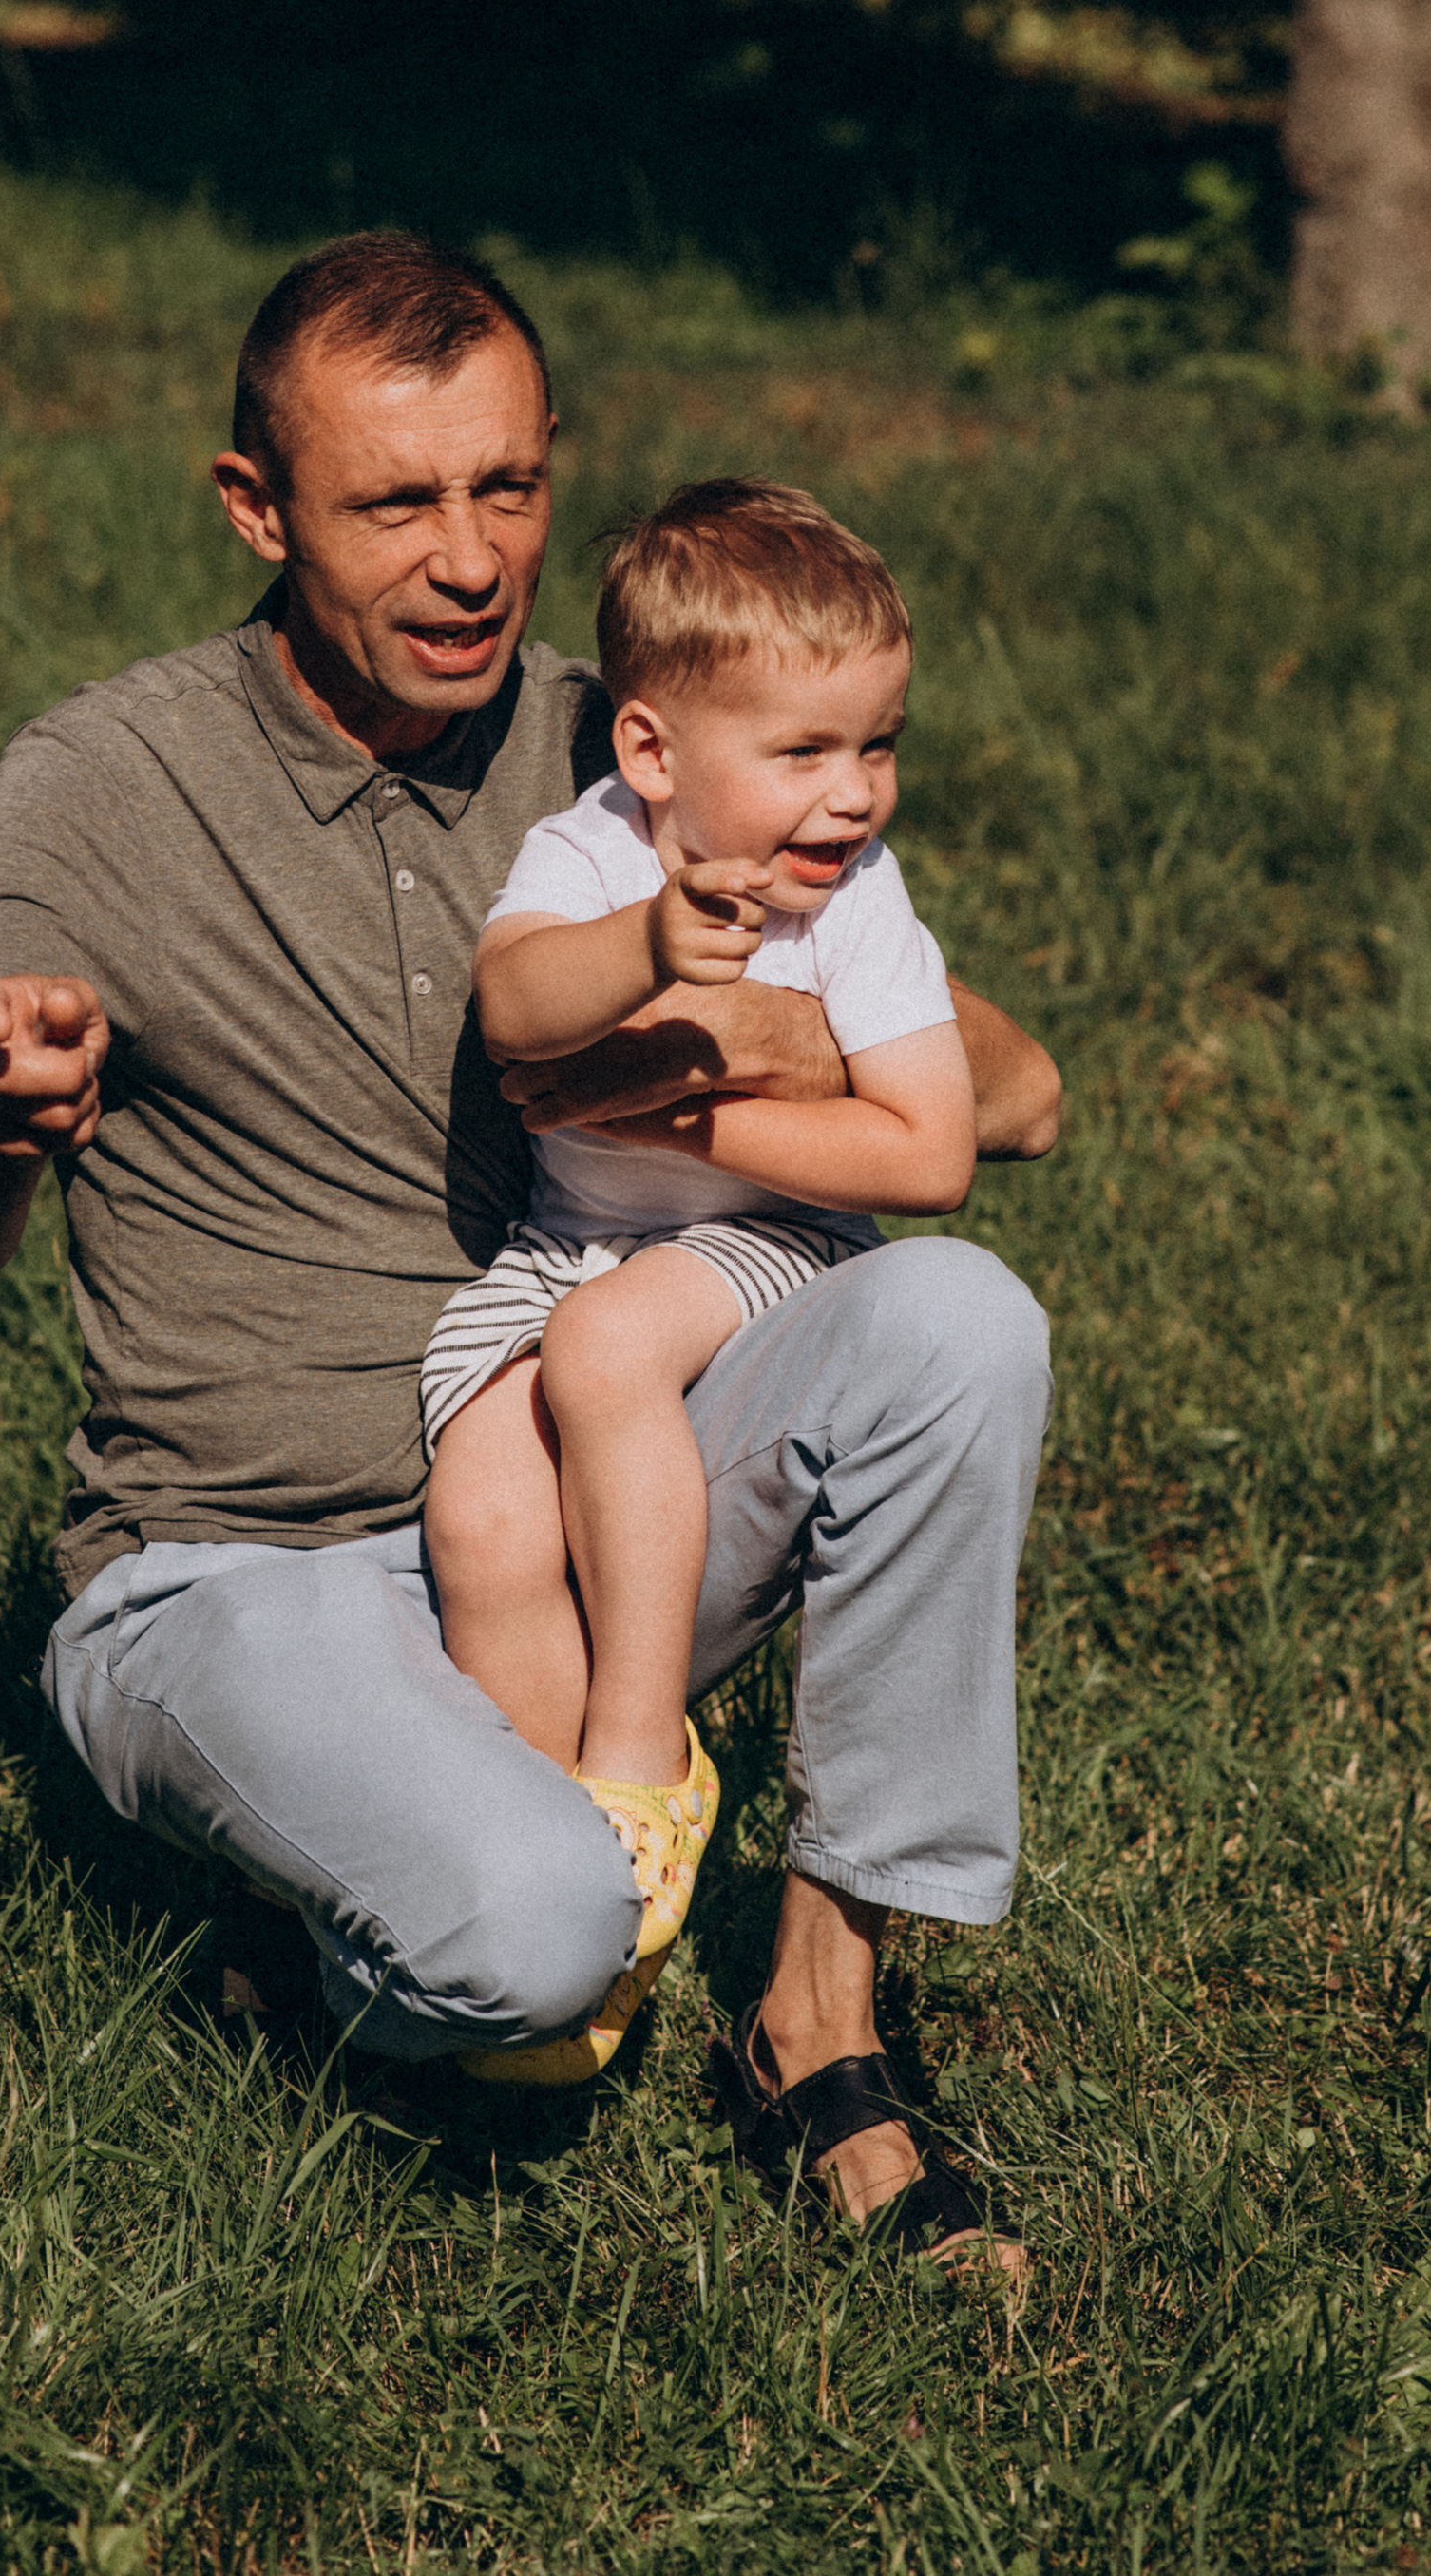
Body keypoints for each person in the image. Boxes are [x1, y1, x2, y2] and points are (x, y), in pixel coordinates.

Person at [0, 231, 1060, 2267]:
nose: (467, 560)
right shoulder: (108, 781)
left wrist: (724, 1035)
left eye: (503, 488)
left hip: (585, 1498)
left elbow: (1006, 1092)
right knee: (528, 1935)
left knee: (953, 1316)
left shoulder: (636, 737)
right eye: (392, 503)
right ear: (257, 507)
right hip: (234, 1558)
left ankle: (818, 2015)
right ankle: (310, 1922)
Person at [423, 479, 978, 2087]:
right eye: (802, 753)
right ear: (654, 754)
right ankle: (566, 1896)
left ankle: (637, 1778)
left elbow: (933, 1153)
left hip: (768, 1240)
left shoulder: (860, 907)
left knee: (606, 1353)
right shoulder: (588, 850)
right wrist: (655, 948)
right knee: (483, 1512)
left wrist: (698, 1110)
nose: (852, 796)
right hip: (568, 1243)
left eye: (875, 745)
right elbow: (522, 1009)